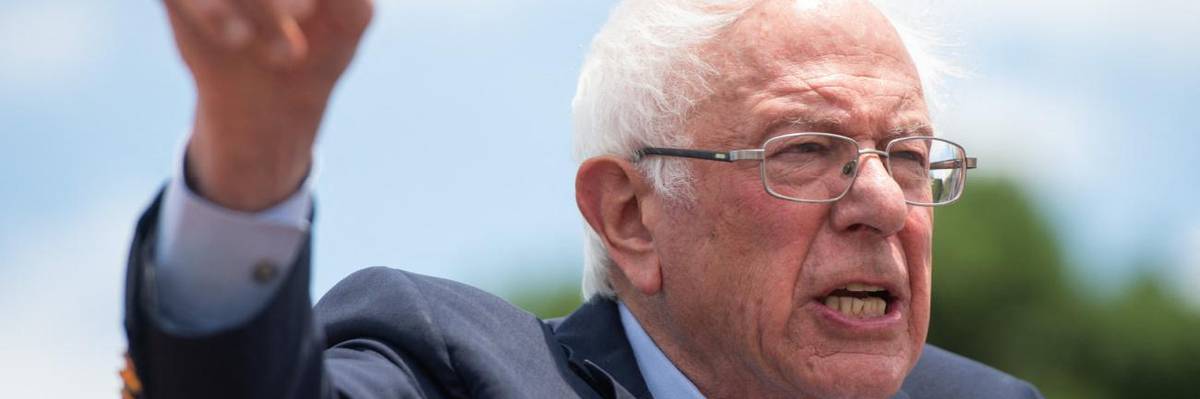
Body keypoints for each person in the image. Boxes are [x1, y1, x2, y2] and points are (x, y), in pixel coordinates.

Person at [122, 0, 1043, 398]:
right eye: (806, 150)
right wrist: (251, 158)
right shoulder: (459, 372)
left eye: (910, 156)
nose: (882, 201)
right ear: (630, 217)